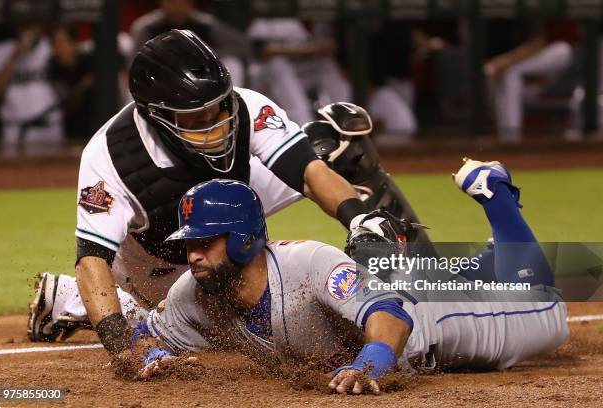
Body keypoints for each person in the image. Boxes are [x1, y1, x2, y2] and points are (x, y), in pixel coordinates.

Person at [26, 30, 421, 360]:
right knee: (209, 334)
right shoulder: (110, 155)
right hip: (162, 261)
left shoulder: (246, 108)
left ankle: (427, 276)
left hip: (231, 205)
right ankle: (66, 298)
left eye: (218, 109)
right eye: (196, 118)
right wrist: (119, 343)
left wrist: (357, 218)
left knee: (334, 151)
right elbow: (92, 259)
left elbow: (309, 173)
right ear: (155, 114)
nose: (215, 125)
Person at [122, 160, 568, 394]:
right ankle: (487, 258)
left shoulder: (307, 264)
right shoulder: (194, 294)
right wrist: (148, 356)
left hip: (437, 318)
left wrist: (368, 365)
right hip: (400, 281)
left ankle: (496, 194)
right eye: (189, 243)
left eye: (206, 242)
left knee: (549, 307)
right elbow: (149, 335)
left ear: (242, 240)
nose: (193, 255)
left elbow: (390, 317)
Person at [484, 18, 580, 142]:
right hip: (523, 83)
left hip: (550, 74)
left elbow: (539, 42)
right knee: (504, 73)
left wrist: (506, 61)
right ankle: (509, 138)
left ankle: (510, 137)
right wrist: (502, 64)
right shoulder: (497, 22)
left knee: (562, 49)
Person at [247, 18, 351, 125]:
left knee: (327, 64)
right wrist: (308, 49)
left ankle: (347, 119)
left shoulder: (320, 18)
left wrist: (299, 50)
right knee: (278, 64)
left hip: (301, 71)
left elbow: (331, 47)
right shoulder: (269, 17)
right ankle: (305, 126)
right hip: (264, 78)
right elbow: (263, 52)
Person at [130, 0, 250, 86]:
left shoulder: (205, 24)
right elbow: (135, 60)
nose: (177, 6)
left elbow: (242, 46)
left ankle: (233, 106)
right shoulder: (147, 27)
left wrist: (208, 55)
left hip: (202, 74)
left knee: (233, 64)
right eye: (172, 2)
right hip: (162, 76)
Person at [0, 25, 63, 155]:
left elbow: (70, 67)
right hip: (15, 129)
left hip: (50, 125)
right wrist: (16, 55)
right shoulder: (0, 50)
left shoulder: (51, 46)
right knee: (13, 174)